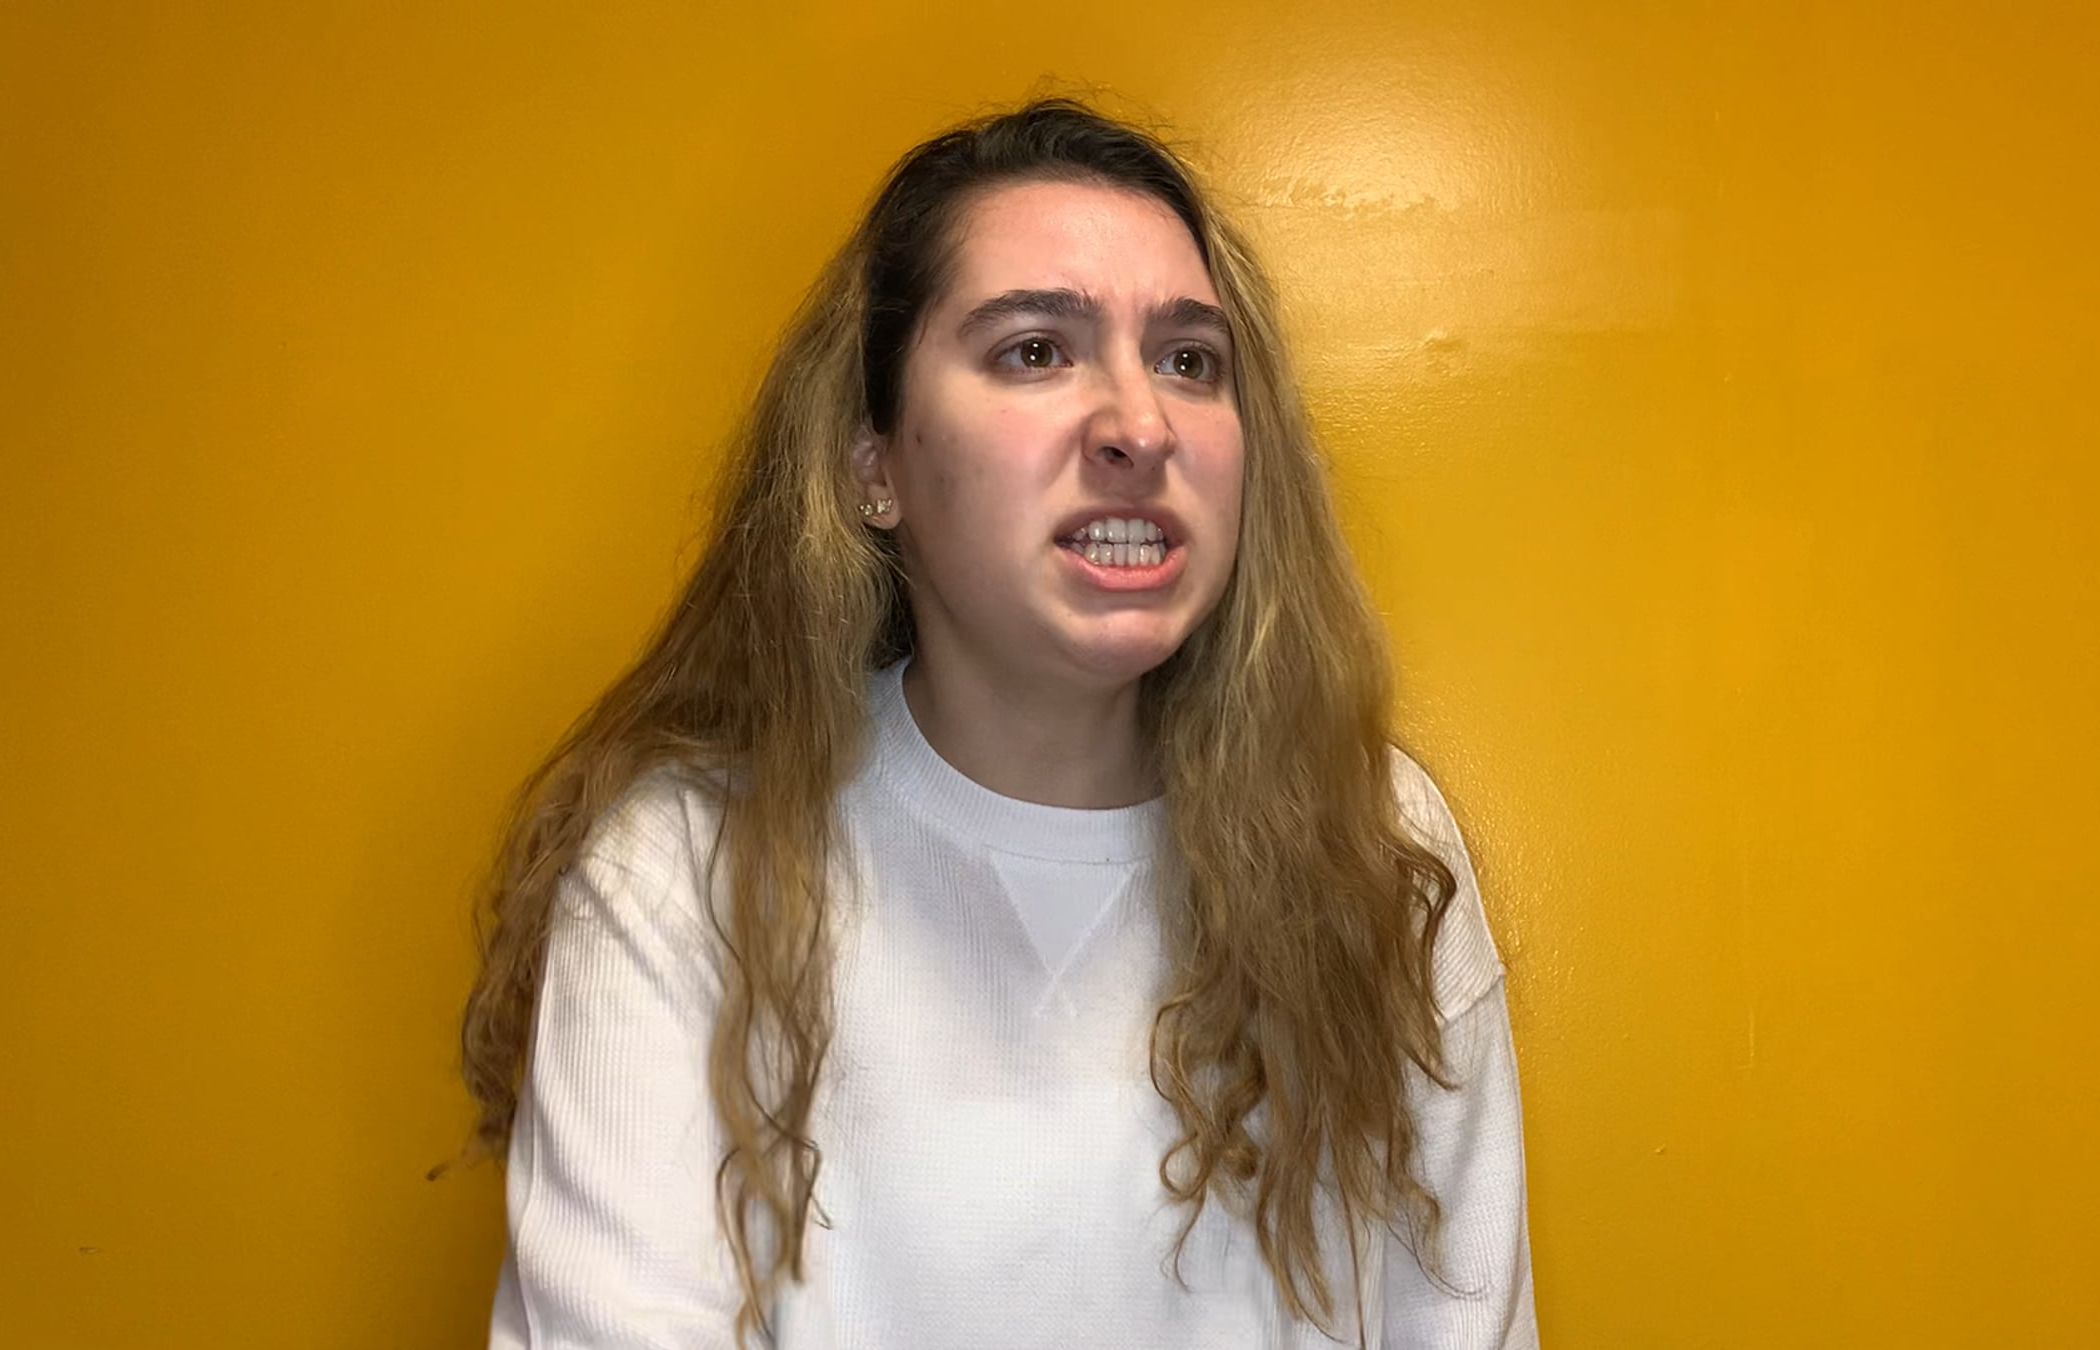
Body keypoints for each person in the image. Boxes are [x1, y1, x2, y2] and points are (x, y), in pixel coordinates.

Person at [459, 97, 1539, 1349]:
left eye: (1191, 361)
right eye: (1035, 351)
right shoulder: (687, 869)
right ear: (874, 467)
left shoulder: (1375, 843)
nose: (1141, 426)